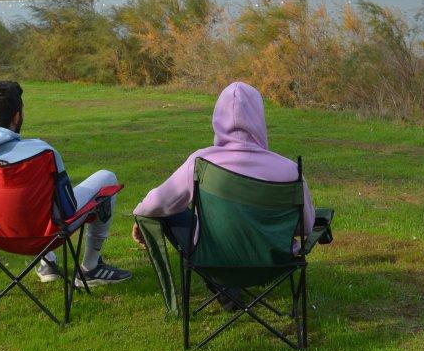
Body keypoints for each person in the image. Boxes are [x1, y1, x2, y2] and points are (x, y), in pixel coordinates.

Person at [0, 80, 132, 286]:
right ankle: (91, 268)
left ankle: (48, 263)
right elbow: (67, 209)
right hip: (43, 237)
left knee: (21, 203)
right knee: (107, 177)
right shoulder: (41, 153)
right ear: (17, 116)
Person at [132, 81, 315, 277]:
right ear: (259, 118)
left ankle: (225, 288)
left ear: (218, 117)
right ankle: (231, 288)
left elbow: (158, 202)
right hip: (275, 262)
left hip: (213, 260)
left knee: (169, 209)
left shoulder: (201, 162)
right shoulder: (290, 170)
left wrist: (141, 215)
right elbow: (305, 225)